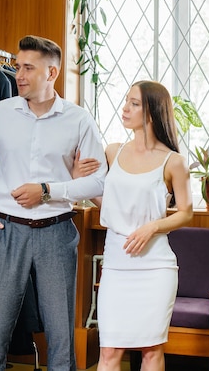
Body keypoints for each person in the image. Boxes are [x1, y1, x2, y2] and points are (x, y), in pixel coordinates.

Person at [0, 35, 107, 371]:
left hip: (57, 234)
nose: (19, 75)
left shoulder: (79, 120)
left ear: (51, 73)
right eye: (17, 67)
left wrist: (47, 190)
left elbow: (99, 181)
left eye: (28, 67)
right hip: (5, 232)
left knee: (60, 337)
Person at [75, 80, 193, 371]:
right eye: (126, 101)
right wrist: (79, 179)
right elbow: (110, 204)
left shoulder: (174, 162)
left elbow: (187, 213)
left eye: (134, 103)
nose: (124, 108)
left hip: (155, 267)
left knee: (151, 350)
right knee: (109, 352)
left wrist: (152, 227)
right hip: (116, 265)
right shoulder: (113, 152)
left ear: (152, 112)